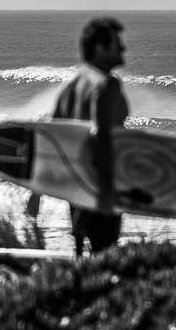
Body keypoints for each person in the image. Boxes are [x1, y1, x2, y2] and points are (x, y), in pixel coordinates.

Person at [27, 17, 130, 256]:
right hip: (100, 188)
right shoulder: (107, 84)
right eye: (117, 43)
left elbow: (51, 139)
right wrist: (107, 192)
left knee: (81, 258)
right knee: (105, 259)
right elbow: (101, 135)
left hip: (75, 190)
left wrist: (36, 191)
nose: (124, 49)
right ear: (100, 48)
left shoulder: (70, 87)